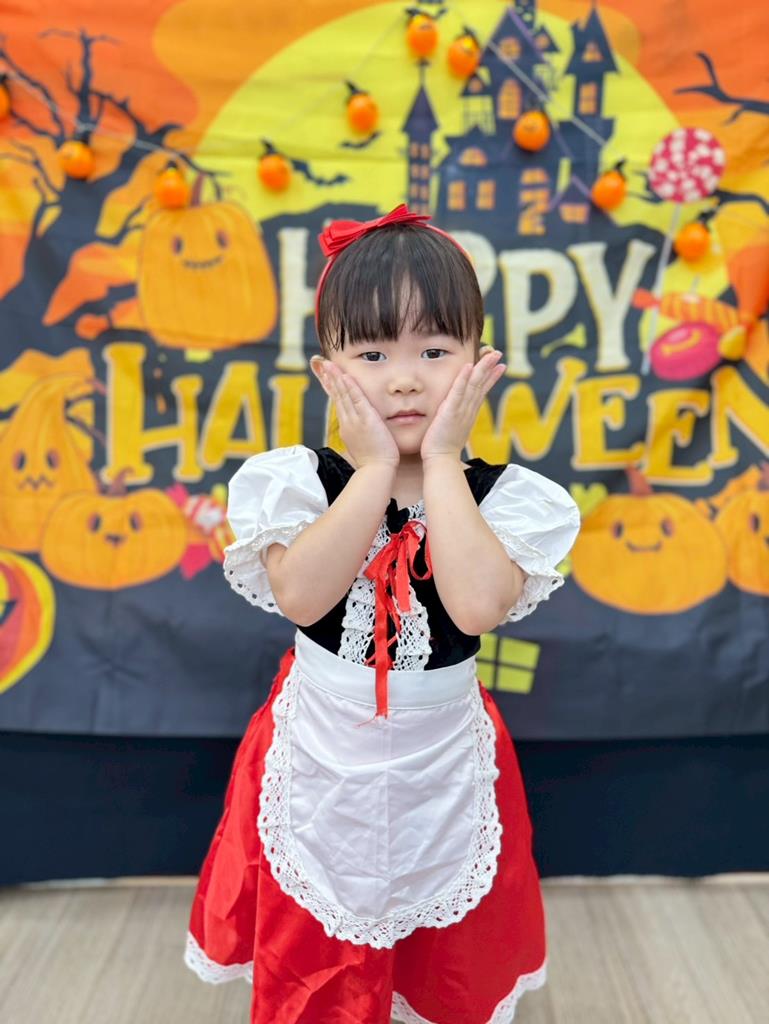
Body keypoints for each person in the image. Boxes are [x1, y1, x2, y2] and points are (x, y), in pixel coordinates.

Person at [183, 203, 581, 1024]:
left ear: (478, 359)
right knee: (313, 954)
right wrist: (370, 474)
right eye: (372, 354)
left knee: (449, 963)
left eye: (434, 351)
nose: (404, 378)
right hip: (318, 748)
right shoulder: (297, 482)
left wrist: (441, 460)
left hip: (445, 756)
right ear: (328, 369)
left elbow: (477, 604)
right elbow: (302, 597)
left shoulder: (506, 498)